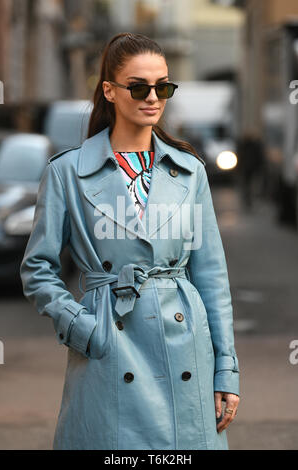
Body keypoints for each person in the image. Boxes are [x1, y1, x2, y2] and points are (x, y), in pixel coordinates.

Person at [20, 32, 240, 450]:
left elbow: (211, 275)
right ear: (110, 90)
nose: (153, 97)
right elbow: (37, 268)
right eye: (139, 86)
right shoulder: (67, 172)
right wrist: (79, 325)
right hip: (107, 344)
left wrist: (226, 370)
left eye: (164, 87)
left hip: (184, 346)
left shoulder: (190, 171)